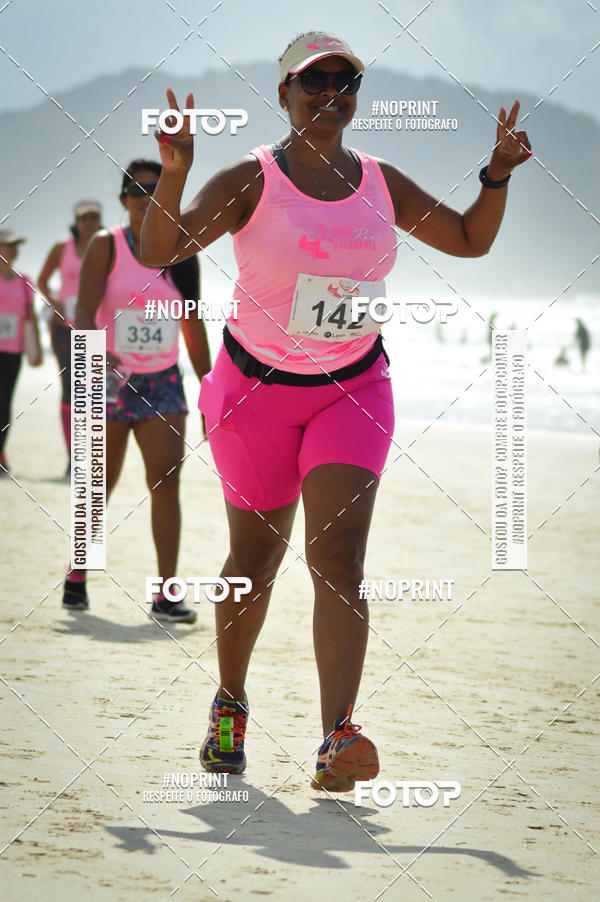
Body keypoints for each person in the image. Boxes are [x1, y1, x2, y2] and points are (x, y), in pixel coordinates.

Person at [140, 31, 532, 791]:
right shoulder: (250, 179)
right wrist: (177, 175)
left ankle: (336, 735)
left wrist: (496, 176)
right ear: (283, 93)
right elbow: (163, 249)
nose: (329, 93)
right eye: (311, 81)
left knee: (340, 559)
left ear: (356, 93)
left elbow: (467, 240)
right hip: (252, 393)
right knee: (254, 563)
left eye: (344, 80)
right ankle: (230, 702)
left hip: (354, 388)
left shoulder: (382, 182)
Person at [62, 159, 211, 623]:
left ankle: (166, 593)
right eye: (138, 190)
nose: (147, 197)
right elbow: (84, 310)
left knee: (166, 484)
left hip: (164, 381)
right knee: (99, 484)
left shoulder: (183, 250)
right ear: (123, 198)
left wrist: (211, 390)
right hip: (109, 377)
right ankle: (78, 573)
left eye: (157, 189)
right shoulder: (108, 245)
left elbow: (192, 322)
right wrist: (94, 354)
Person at [38, 201, 103, 478]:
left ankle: (94, 456)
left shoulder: (106, 247)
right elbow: (42, 281)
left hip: (97, 327)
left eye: (94, 217)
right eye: (84, 218)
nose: (89, 222)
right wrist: (55, 302)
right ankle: (73, 457)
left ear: (100, 221)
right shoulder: (60, 249)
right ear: (75, 221)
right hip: (65, 328)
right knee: (70, 390)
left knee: (95, 392)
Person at [0, 230, 41, 474]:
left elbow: (31, 316)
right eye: (8, 245)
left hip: (13, 351)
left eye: (16, 246)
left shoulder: (24, 280)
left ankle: (1, 451)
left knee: (4, 402)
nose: (13, 250)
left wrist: (35, 349)